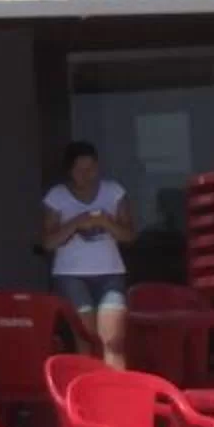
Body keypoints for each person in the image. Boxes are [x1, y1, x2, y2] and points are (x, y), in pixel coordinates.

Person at [40, 141, 134, 368]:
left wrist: (106, 222)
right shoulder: (57, 196)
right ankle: (88, 386)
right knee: (85, 337)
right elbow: (48, 242)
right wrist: (75, 223)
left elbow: (129, 236)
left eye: (91, 169)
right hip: (71, 275)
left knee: (113, 340)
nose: (87, 176)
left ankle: (116, 387)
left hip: (110, 272)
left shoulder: (114, 192)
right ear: (69, 171)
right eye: (80, 171)